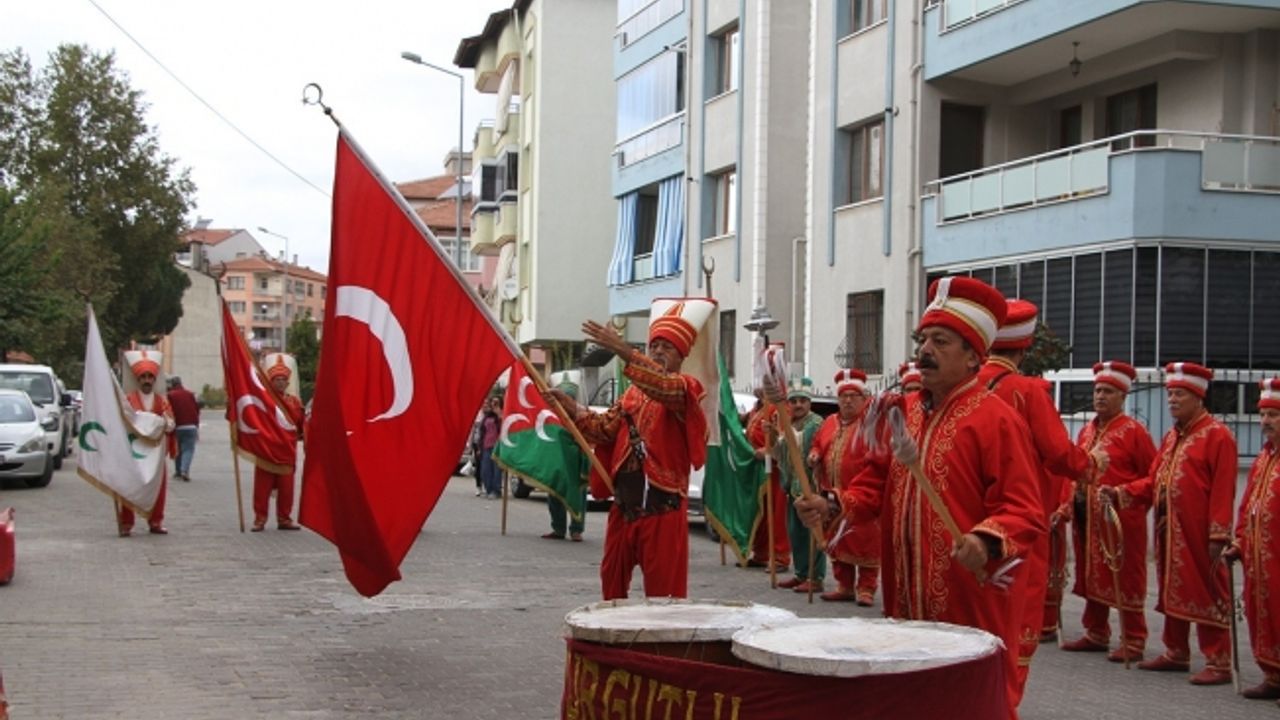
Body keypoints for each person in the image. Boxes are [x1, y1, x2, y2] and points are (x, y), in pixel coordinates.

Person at [796, 276, 1045, 719]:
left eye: (940, 341)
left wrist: (986, 540)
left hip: (969, 600)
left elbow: (1024, 509)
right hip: (906, 600)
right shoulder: (905, 413)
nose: (925, 350)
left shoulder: (996, 419)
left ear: (973, 356)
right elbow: (874, 485)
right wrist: (831, 503)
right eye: (922, 340)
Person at [548, 298, 712, 600]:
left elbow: (664, 386)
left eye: (667, 347)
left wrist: (623, 350)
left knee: (664, 596)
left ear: (681, 355)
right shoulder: (632, 394)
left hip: (662, 510)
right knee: (610, 585)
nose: (658, 351)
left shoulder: (687, 388)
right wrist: (571, 408)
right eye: (654, 346)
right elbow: (602, 429)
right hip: (624, 507)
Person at [977, 299, 1101, 699]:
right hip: (1016, 520)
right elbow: (1058, 452)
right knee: (1014, 619)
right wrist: (1089, 464)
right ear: (1025, 347)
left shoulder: (965, 386)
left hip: (968, 518)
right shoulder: (1028, 391)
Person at [1103, 362, 1237, 686]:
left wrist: (1218, 532)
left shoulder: (1217, 436)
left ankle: (1219, 660)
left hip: (1199, 530)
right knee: (1172, 588)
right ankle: (1176, 651)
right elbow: (1154, 480)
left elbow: (1224, 488)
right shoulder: (1172, 437)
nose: (1172, 400)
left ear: (1198, 397)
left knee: (1206, 589)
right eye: (1170, 394)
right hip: (1169, 528)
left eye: (1179, 394)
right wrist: (1122, 492)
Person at [1058, 361, 1157, 664]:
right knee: (1092, 573)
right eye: (1098, 391)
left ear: (1123, 396)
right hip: (1088, 519)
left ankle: (1134, 638)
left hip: (1120, 520)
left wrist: (1123, 493)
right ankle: (1096, 631)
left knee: (1125, 577)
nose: (1100, 396)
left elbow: (1154, 478)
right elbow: (1076, 472)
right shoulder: (1086, 431)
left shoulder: (1135, 433)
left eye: (1108, 392)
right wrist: (1066, 504)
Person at [1225, 377, 1280, 700]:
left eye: (1273, 415)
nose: (1265, 421)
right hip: (1259, 558)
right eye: (1262, 414)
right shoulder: (1263, 458)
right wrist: (1240, 541)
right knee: (1263, 614)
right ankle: (1273, 674)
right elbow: (1248, 506)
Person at [809, 368, 878, 605]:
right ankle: (844, 586)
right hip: (833, 494)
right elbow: (818, 444)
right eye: (843, 396)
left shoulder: (871, 424)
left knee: (866, 541)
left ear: (864, 398)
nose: (848, 401)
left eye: (853, 396)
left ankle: (866, 588)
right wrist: (815, 454)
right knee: (837, 539)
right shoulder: (829, 422)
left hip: (862, 495)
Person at [770, 376, 826, 594]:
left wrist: (783, 434)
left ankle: (816, 577)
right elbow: (781, 453)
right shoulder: (789, 424)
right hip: (793, 486)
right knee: (796, 533)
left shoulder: (817, 423)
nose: (798, 405)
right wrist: (773, 436)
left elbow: (804, 443)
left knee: (813, 531)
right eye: (794, 401)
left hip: (811, 486)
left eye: (802, 400)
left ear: (809, 402)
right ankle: (801, 573)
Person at [118, 351, 174, 536]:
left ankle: (156, 521)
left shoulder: (162, 401)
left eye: (150, 377)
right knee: (129, 486)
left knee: (158, 488)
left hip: (155, 453)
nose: (147, 380)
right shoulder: (128, 400)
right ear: (138, 379)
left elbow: (171, 423)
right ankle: (126, 523)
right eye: (143, 377)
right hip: (134, 452)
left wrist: (161, 422)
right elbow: (123, 421)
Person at [251, 355, 305, 532]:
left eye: (283, 380)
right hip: (266, 450)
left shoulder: (294, 402)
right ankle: (260, 519)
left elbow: (301, 424)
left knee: (287, 489)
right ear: (271, 381)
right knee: (262, 488)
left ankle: (284, 518)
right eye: (277, 379)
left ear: (288, 382)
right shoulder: (264, 400)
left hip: (287, 451)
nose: (281, 382)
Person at [746, 386, 792, 574]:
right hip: (760, 469)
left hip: (776, 467)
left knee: (777, 512)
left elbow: (785, 438)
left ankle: (780, 557)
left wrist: (768, 451)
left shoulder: (780, 408)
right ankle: (761, 553)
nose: (758, 387)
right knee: (762, 512)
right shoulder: (758, 407)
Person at [543, 381, 586, 542]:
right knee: (555, 492)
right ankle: (558, 528)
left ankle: (576, 529)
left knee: (577, 494)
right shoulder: (552, 414)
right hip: (557, 459)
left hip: (575, 461)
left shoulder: (580, 413)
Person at [166, 376, 200, 482]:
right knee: (188, 449)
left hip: (177, 427)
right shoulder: (190, 394)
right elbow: (196, 410)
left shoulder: (170, 395)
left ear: (172, 385)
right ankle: (184, 470)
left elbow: (168, 410)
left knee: (178, 450)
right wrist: (197, 425)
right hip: (191, 426)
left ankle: (178, 472)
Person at [477, 396, 503, 500]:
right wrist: (479, 447)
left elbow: (504, 428)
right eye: (492, 402)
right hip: (486, 446)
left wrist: (499, 415)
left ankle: (496, 491)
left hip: (497, 447)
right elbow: (482, 432)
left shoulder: (501, 415)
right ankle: (489, 489)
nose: (493, 404)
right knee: (485, 470)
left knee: (496, 470)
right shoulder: (487, 416)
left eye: (496, 402)